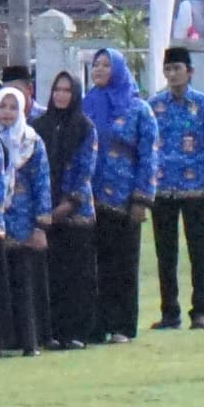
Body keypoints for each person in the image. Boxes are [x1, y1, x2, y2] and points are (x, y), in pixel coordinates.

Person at [146, 46, 204, 330]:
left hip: (194, 188)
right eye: (168, 69)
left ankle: (199, 311)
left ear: (189, 72)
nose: (173, 74)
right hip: (163, 188)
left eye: (178, 69)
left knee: (198, 252)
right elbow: (148, 147)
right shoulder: (155, 106)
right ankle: (170, 312)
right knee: (165, 253)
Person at [83, 50, 151, 342]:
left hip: (124, 197)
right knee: (94, 262)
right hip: (90, 197)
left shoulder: (138, 109)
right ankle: (97, 324)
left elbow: (149, 156)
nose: (98, 70)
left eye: (105, 65)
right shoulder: (86, 104)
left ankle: (122, 324)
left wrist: (141, 198)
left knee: (122, 262)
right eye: (95, 65)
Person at [0, 81, 51, 357]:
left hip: (23, 220)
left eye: (14, 107)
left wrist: (40, 225)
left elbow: (42, 184)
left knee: (23, 282)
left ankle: (29, 341)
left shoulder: (32, 141)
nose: (8, 112)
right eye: (3, 106)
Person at [35, 70, 98, 349]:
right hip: (45, 210)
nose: (61, 95)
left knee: (77, 275)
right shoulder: (40, 126)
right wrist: (43, 209)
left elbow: (84, 170)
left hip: (75, 214)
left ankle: (76, 332)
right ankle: (52, 332)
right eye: (57, 90)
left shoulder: (84, 127)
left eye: (67, 91)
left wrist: (65, 206)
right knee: (52, 274)